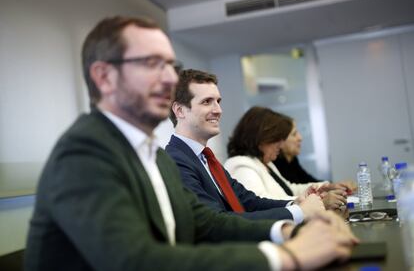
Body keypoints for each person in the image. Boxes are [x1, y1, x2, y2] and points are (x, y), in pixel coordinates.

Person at [24, 16, 358, 271]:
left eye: (171, 66)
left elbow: (206, 221)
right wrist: (283, 256)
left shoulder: (152, 153)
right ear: (104, 77)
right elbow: (135, 261)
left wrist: (287, 231)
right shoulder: (84, 153)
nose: (170, 78)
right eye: (152, 64)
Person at [166, 69, 329, 224]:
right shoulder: (175, 161)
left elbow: (247, 201)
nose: (218, 110)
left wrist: (296, 203)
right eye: (207, 102)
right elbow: (215, 221)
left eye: (218, 101)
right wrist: (299, 212)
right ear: (180, 110)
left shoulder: (206, 158)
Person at [224, 106, 347, 210]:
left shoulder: (265, 163)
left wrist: (322, 187)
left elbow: (289, 189)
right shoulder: (241, 165)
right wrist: (318, 201)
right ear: (260, 138)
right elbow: (260, 204)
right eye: (277, 139)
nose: (281, 144)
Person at [273, 116, 357, 191]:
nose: (300, 138)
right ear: (280, 140)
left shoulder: (292, 160)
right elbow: (292, 191)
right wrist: (331, 187)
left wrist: (334, 185)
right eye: (294, 134)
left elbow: (309, 181)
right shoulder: (275, 163)